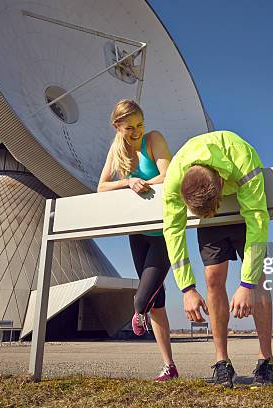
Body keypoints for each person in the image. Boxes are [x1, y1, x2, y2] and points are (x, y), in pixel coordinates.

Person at [162, 130, 273, 388]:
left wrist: (246, 284)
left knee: (259, 279)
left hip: (244, 208)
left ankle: (266, 360)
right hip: (212, 213)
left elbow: (258, 221)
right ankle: (222, 362)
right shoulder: (174, 180)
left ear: (221, 186)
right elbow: (173, 231)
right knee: (212, 277)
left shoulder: (243, 159)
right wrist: (187, 289)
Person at [98, 99, 178, 382]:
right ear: (117, 127)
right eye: (130, 127)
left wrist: (142, 183)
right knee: (157, 303)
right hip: (138, 233)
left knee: (141, 301)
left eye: (140, 124)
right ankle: (169, 366)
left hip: (164, 232)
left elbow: (168, 175)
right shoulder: (117, 150)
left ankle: (138, 312)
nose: (137, 131)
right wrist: (127, 182)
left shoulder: (153, 139)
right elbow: (102, 186)